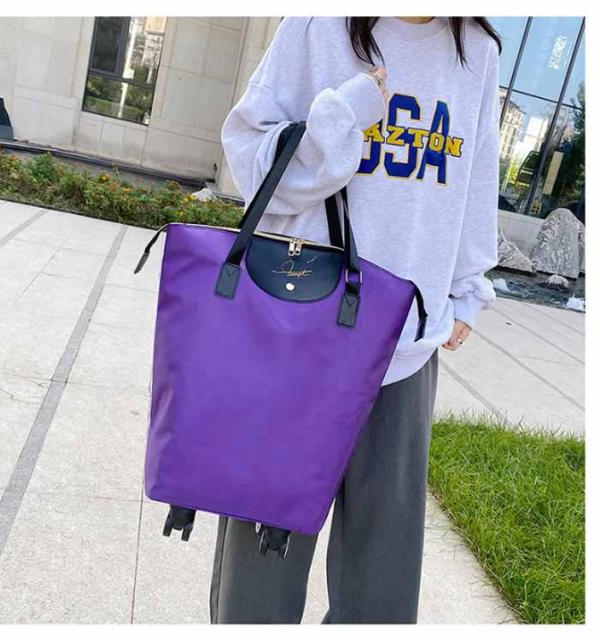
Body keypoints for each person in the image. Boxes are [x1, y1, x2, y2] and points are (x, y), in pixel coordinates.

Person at [210, 16, 501, 624]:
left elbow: (475, 181)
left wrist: (467, 287)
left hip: (405, 346)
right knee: (258, 584)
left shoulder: (476, 51)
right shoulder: (316, 26)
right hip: (298, 340)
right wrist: (341, 119)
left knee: (380, 594)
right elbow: (250, 160)